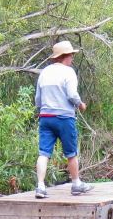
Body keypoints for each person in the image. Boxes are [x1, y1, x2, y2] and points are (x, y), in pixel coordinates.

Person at [35, 40, 93, 198]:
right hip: (64, 118)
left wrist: (45, 108)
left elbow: (38, 100)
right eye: (71, 55)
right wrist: (80, 104)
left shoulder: (45, 72)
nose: (72, 58)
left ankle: (40, 187)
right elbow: (72, 94)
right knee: (71, 153)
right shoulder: (69, 72)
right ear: (65, 56)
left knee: (44, 153)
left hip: (45, 117)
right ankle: (76, 184)